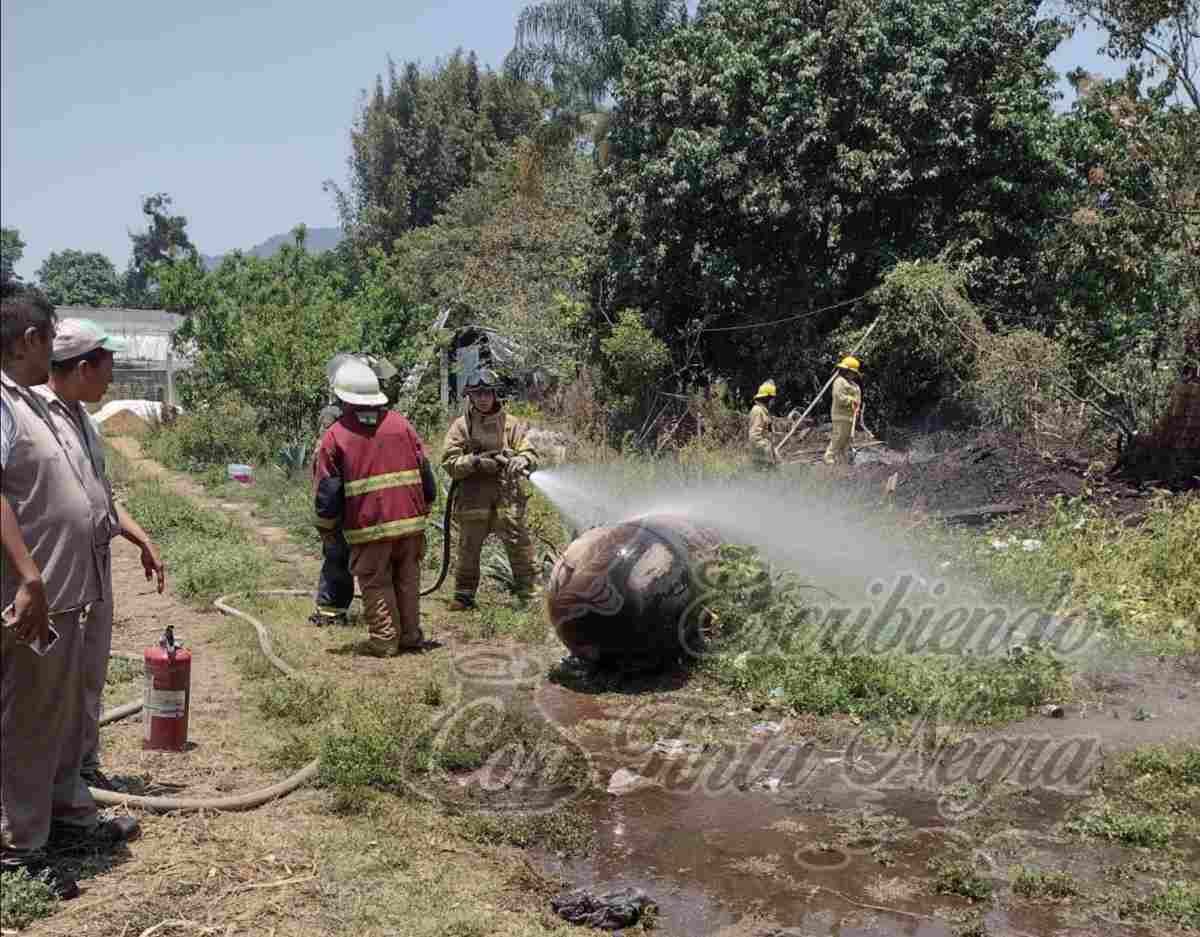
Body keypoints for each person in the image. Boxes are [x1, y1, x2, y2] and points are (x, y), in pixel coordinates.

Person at [1, 289, 135, 900]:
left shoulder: (29, 403)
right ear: (30, 342)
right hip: (30, 595)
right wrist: (29, 576)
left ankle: (57, 819)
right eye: (49, 339)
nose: (53, 352)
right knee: (25, 721)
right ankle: (18, 851)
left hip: (63, 594)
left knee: (52, 714)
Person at [35, 319, 166, 790]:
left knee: (90, 672)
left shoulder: (84, 420)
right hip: (56, 572)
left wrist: (139, 537)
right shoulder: (35, 416)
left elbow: (99, 492)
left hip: (95, 567)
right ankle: (52, 782)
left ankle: (83, 771)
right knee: (52, 683)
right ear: (83, 367)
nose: (112, 378)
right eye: (107, 367)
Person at [312, 359, 436, 657]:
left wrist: (327, 529)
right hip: (411, 524)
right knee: (406, 579)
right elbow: (426, 474)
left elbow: (327, 492)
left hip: (369, 527)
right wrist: (426, 507)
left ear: (342, 397)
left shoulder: (336, 435)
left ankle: (384, 640)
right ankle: (410, 637)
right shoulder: (401, 424)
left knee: (376, 580)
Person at [309, 355, 397, 627]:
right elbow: (324, 460)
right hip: (342, 496)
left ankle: (381, 609)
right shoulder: (334, 417)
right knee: (337, 553)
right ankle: (332, 610)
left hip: (366, 497)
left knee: (365, 557)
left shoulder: (381, 416)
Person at [441, 369, 539, 611]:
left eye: (487, 393)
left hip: (507, 496)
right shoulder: (461, 427)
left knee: (519, 545)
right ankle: (464, 597)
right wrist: (475, 462)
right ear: (470, 397)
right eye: (477, 394)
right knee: (468, 548)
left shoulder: (512, 424)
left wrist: (523, 459)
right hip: (473, 498)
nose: (483, 398)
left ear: (496, 395)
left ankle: (531, 596)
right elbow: (449, 462)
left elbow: (530, 449)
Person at [823, 356, 863, 465]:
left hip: (850, 417)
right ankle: (829, 456)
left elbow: (858, 400)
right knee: (839, 436)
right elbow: (838, 397)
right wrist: (851, 401)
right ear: (847, 371)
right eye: (852, 372)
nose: (854, 375)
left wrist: (857, 408)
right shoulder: (839, 381)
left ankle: (843, 460)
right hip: (840, 415)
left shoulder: (855, 386)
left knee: (847, 439)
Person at [748, 380, 779, 470]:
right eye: (772, 398)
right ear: (766, 398)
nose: (773, 401)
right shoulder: (758, 411)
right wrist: (767, 448)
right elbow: (754, 437)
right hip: (761, 459)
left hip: (765, 456)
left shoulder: (763, 412)